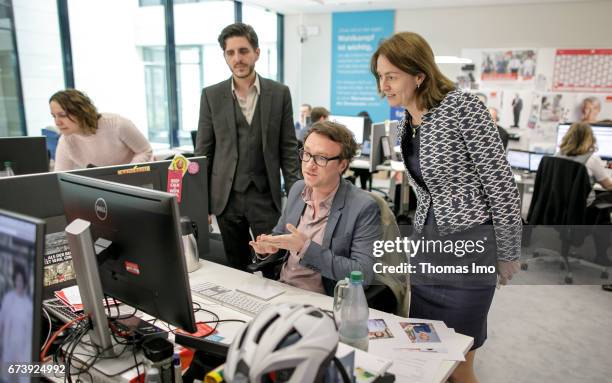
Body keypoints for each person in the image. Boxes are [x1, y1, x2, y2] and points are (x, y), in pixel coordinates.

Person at [371, 32, 522, 383]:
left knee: (459, 362)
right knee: (426, 353)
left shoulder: (463, 107)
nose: (383, 85)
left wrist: (509, 251)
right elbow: (427, 192)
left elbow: (500, 184)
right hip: (429, 252)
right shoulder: (405, 123)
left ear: (419, 75)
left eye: (391, 76)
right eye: (380, 76)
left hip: (470, 254)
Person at [195, 23, 300, 271]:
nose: (237, 58)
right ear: (224, 56)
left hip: (266, 197)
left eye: (243, 51)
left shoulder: (279, 93)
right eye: (230, 53)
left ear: (257, 52)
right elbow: (203, 153)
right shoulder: (211, 95)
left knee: (275, 263)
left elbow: (288, 149)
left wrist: (298, 201)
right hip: (225, 199)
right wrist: (202, 205)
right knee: (236, 265)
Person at [249, 121, 380, 295]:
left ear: (342, 164)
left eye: (321, 158)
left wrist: (305, 248)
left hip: (320, 301)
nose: (310, 165)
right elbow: (280, 235)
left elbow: (363, 275)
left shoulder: (363, 207)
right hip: (281, 289)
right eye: (307, 154)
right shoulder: (298, 189)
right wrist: (268, 249)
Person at [50, 89, 153, 171]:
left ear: (81, 111)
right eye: (53, 116)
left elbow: (145, 151)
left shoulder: (117, 124)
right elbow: (60, 176)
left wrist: (126, 173)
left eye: (62, 115)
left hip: (137, 181)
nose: (57, 122)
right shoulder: (65, 141)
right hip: (106, 188)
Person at [0, 264, 33, 366]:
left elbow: (29, 332)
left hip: (22, 351)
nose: (19, 283)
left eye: (21, 281)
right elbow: (2, 322)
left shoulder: (28, 304)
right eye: (17, 280)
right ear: (14, 281)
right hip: (7, 347)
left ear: (24, 282)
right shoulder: (8, 298)